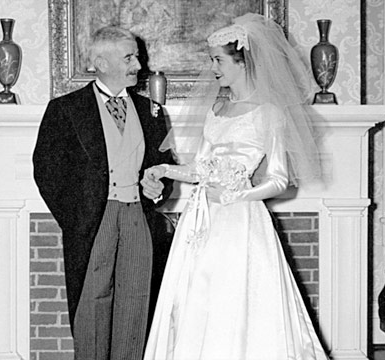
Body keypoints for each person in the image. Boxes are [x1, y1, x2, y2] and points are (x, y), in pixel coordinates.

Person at [140, 13, 328, 359]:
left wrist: (238, 193)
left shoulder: (270, 112)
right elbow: (201, 168)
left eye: (218, 60)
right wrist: (164, 168)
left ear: (243, 61)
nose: (213, 68)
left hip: (240, 221)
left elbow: (279, 180)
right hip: (201, 221)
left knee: (236, 299)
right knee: (197, 297)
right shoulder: (217, 110)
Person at [32, 25, 174, 360]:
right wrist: (77, 218)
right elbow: (47, 172)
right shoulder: (65, 109)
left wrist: (157, 190)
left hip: (138, 217)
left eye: (136, 57)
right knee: (92, 302)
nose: (138, 66)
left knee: (135, 301)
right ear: (101, 62)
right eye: (129, 57)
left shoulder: (150, 111)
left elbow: (163, 165)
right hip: (95, 219)